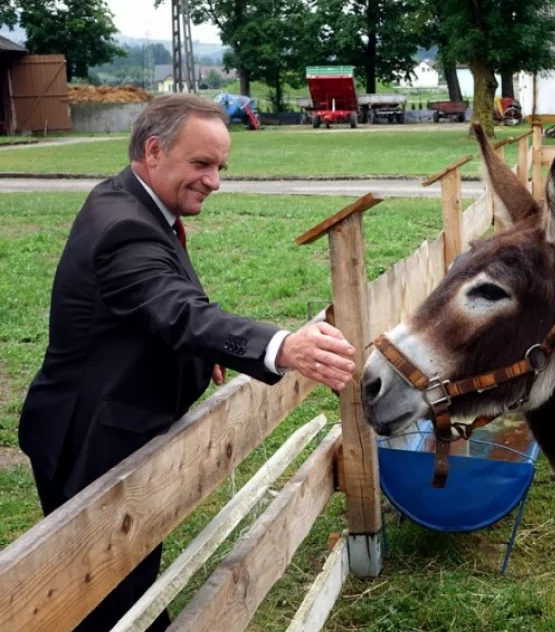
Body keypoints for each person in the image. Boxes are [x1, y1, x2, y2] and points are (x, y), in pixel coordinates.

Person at [17, 93, 357, 632]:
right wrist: (282, 346)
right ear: (154, 151)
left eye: (220, 166)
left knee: (131, 579)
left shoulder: (134, 201)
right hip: (88, 441)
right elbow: (176, 310)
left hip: (116, 424)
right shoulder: (123, 226)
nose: (215, 181)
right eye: (202, 164)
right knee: (105, 601)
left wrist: (197, 357)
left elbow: (157, 309)